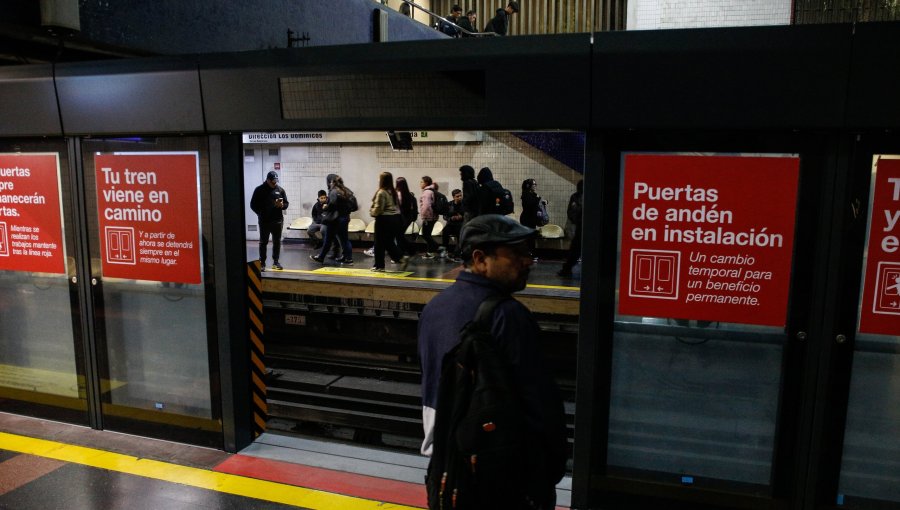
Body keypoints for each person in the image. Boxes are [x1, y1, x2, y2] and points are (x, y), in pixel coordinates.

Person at [418, 214, 568, 509]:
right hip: (503, 479)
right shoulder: (509, 317)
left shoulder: (434, 309)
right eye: (517, 253)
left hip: (447, 471)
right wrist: (547, 473)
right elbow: (540, 407)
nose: (528, 261)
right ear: (480, 259)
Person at [310, 174, 354, 266]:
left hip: (335, 219)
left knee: (328, 239)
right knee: (344, 239)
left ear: (331, 182)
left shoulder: (334, 191)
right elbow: (353, 205)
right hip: (345, 218)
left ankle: (321, 257)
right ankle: (348, 258)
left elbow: (332, 204)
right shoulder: (346, 190)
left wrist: (326, 207)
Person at [249, 170, 289, 271]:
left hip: (277, 220)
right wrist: (260, 213)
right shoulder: (259, 190)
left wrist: (282, 205)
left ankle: (276, 262)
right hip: (264, 221)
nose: (274, 183)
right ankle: (262, 263)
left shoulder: (280, 190)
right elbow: (252, 204)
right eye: (272, 181)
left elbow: (286, 204)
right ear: (267, 180)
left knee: (277, 242)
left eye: (276, 181)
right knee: (263, 242)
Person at [368, 172, 408, 272]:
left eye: (379, 178)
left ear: (382, 180)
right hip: (394, 219)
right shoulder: (392, 191)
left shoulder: (381, 192)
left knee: (379, 243)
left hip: (383, 220)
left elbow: (379, 209)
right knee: (388, 242)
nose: (378, 179)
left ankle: (380, 265)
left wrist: (371, 212)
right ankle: (399, 258)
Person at [558, 179, 583, 277]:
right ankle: (567, 269)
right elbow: (571, 212)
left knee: (575, 250)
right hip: (582, 227)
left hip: (580, 227)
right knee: (575, 250)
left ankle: (567, 269)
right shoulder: (577, 197)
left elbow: (571, 212)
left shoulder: (576, 197)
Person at [418, 176, 440, 257]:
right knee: (428, 234)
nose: (420, 183)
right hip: (433, 216)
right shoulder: (432, 191)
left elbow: (426, 206)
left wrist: (424, 216)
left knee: (425, 235)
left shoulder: (427, 192)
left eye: (421, 182)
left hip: (428, 217)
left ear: (426, 183)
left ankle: (438, 247)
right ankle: (430, 252)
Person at [441, 189, 464, 260]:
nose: (460, 197)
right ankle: (445, 250)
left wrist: (462, 217)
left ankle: (458, 252)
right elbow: (445, 215)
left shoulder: (465, 204)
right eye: (457, 196)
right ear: (453, 197)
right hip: (451, 224)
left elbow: (469, 215)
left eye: (460, 195)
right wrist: (451, 218)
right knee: (445, 231)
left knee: (460, 234)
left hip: (461, 224)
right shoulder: (449, 204)